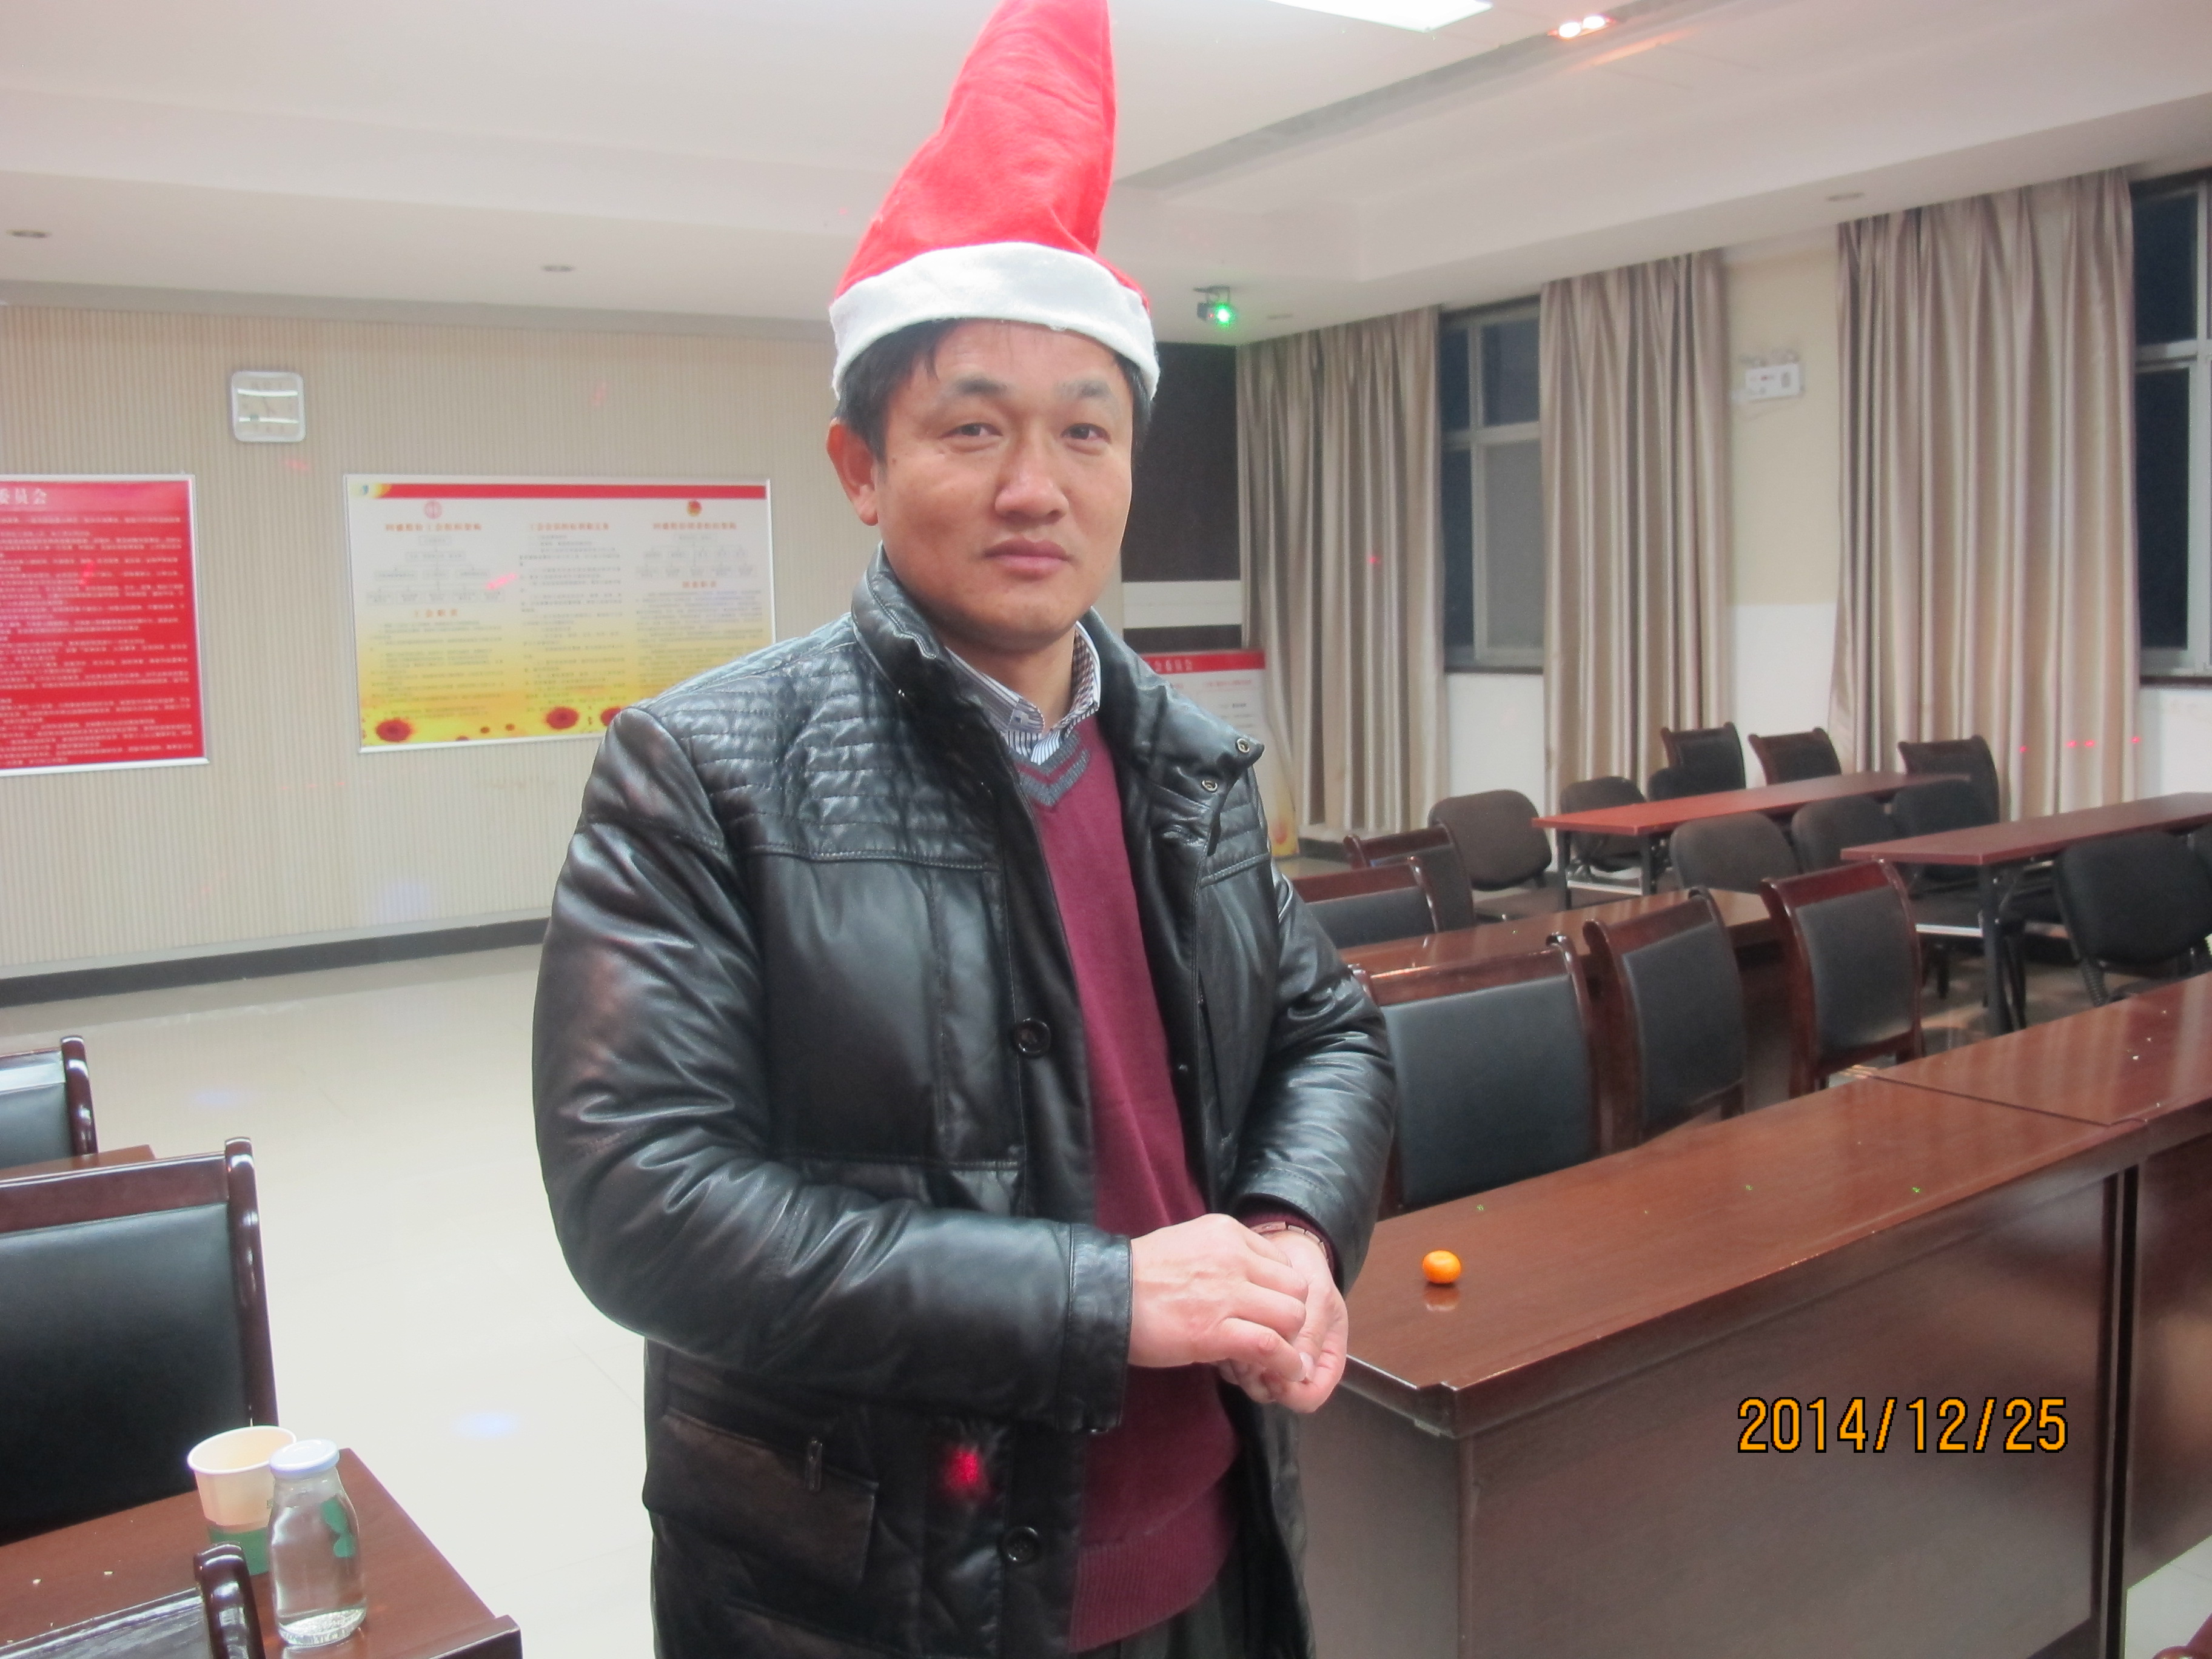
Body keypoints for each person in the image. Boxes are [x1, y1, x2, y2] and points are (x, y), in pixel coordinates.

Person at [531, 2, 1394, 1655]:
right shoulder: (702, 773)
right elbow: (645, 1202)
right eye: (973, 426)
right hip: (881, 1591)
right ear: (860, 465)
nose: (1034, 485)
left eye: (1085, 429)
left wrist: (1292, 1226)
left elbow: (1329, 1032)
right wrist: (1102, 1298)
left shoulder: (1187, 764)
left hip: (1215, 1544)